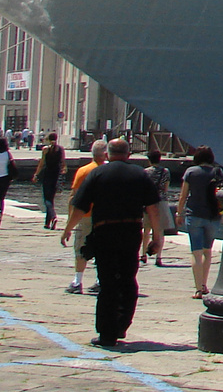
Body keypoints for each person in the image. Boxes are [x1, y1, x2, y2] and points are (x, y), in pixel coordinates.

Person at [62, 138, 163, 349]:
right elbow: (154, 209)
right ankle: (122, 324)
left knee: (107, 282)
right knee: (128, 279)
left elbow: (80, 206)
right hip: (131, 231)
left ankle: (107, 333)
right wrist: (157, 238)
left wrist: (68, 229)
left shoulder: (97, 174)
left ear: (107, 155)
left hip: (105, 231)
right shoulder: (140, 175)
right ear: (128, 154)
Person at [175, 146, 223, 298]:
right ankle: (204, 284)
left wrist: (179, 213)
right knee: (207, 252)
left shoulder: (191, 172)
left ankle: (197, 289)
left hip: (194, 214)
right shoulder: (218, 172)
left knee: (196, 252)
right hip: (212, 216)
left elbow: (183, 195)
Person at [64, 139, 108, 294]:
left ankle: (77, 281)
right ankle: (99, 281)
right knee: (103, 249)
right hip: (105, 217)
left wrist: (69, 223)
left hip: (86, 216)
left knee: (81, 248)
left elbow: (73, 197)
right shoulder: (109, 171)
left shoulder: (83, 171)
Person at [141, 148, 173, 266]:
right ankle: (158, 257)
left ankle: (143, 254)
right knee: (160, 231)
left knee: (146, 230)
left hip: (148, 203)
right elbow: (165, 188)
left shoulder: (145, 172)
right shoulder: (165, 172)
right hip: (161, 202)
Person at [33, 133, 65, 229]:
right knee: (51, 199)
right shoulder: (60, 149)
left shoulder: (45, 150)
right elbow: (63, 162)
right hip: (56, 175)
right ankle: (47, 223)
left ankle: (53, 216)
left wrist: (36, 174)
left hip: (47, 175)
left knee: (47, 199)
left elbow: (42, 163)